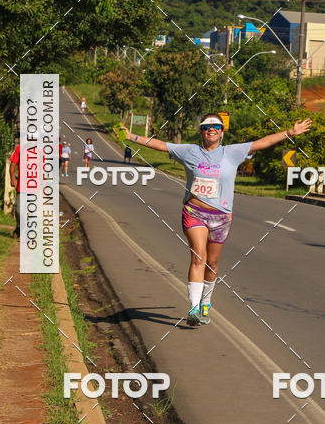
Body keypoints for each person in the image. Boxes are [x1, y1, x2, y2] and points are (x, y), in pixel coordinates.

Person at [121, 113, 312, 326]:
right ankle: (193, 308)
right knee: (198, 257)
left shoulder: (232, 152)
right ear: (201, 131)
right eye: (206, 126)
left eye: (215, 126)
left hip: (221, 217)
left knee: (212, 264)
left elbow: (262, 143)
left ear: (221, 131)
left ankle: (206, 301)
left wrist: (289, 132)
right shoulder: (190, 151)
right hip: (194, 212)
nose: (211, 129)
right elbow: (161, 145)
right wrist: (132, 137)